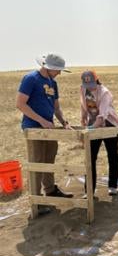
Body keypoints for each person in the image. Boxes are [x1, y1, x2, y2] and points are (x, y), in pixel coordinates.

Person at [16, 53, 73, 214]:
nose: (60, 73)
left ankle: (50, 190)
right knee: (37, 162)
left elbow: (56, 107)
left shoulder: (52, 83)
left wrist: (64, 123)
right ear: (49, 68)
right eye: (58, 70)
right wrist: (41, 121)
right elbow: (20, 104)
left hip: (49, 129)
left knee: (49, 160)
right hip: (34, 128)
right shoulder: (31, 79)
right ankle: (37, 200)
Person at [80, 70, 118, 196]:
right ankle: (89, 190)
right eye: (86, 84)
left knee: (112, 154)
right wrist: (83, 117)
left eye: (92, 84)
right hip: (93, 123)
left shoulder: (105, 93)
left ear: (97, 80)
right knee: (90, 157)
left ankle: (113, 186)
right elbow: (83, 104)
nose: (90, 87)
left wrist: (90, 129)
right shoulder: (83, 89)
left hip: (109, 123)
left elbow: (102, 116)